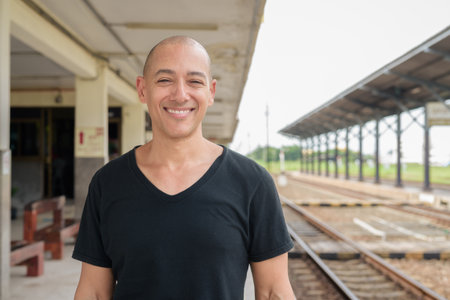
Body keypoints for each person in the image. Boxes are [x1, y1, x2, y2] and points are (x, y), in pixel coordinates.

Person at [73, 36, 295, 300]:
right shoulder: (107, 183)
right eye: (165, 80)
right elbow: (94, 291)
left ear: (211, 92)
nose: (180, 95)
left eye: (194, 81)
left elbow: (273, 291)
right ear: (142, 89)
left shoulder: (252, 182)